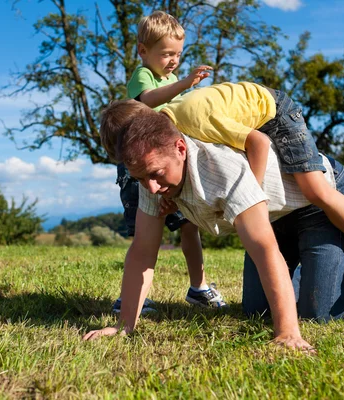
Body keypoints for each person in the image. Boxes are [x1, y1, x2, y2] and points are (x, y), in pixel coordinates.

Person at [84, 100, 344, 350]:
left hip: (315, 203)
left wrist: (288, 332)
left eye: (156, 175)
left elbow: (263, 247)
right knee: (257, 312)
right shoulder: (151, 182)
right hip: (274, 216)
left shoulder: (222, 170)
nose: (152, 189)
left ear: (180, 147)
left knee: (318, 313)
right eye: (142, 179)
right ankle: (314, 280)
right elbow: (142, 253)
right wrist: (124, 326)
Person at [157, 82, 344, 294]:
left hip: (276, 112)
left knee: (315, 189)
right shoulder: (166, 126)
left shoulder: (194, 120)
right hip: (257, 118)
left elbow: (257, 142)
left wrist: (252, 194)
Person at [114, 11, 221, 314]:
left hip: (168, 163)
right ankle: (132, 296)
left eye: (177, 54)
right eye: (166, 54)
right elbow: (147, 101)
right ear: (143, 51)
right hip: (140, 167)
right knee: (146, 232)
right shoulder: (143, 76)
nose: (173, 60)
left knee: (189, 225)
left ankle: (199, 287)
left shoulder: (172, 78)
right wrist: (185, 84)